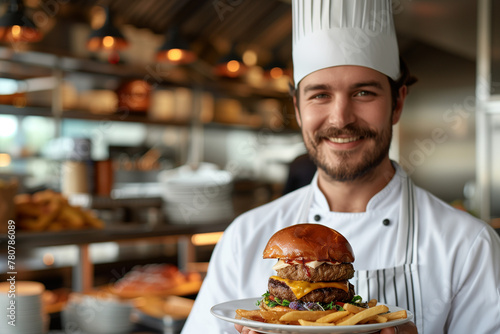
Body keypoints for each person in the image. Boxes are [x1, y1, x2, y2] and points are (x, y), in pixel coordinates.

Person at [181, 0, 500, 333]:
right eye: (320, 95)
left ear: (398, 103)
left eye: (363, 92)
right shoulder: (243, 238)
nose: (341, 118)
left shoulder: (469, 246)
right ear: (298, 108)